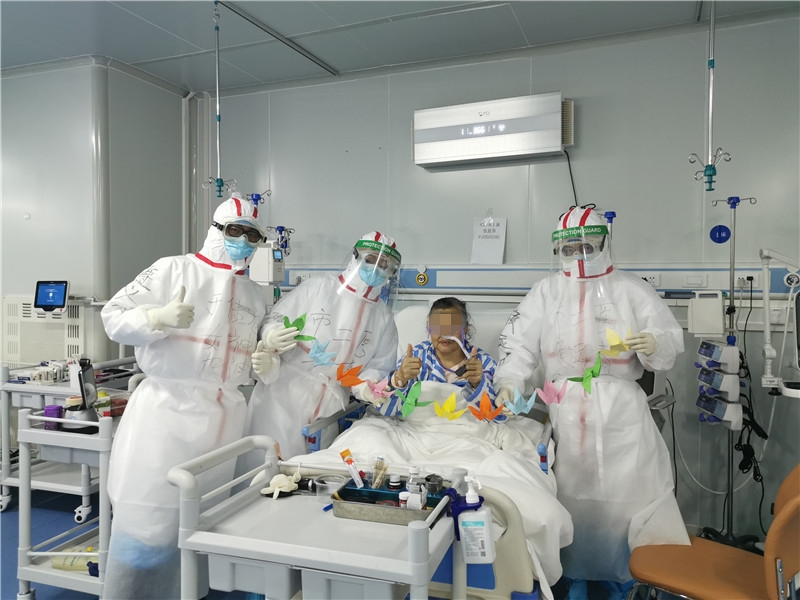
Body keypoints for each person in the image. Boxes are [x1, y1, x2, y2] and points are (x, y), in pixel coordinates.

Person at [493, 205, 689, 600]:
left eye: (587, 246)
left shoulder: (631, 289)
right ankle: (572, 577)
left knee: (628, 497)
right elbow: (518, 344)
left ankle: (631, 578)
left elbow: (667, 338)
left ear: (604, 244)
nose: (578, 255)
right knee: (570, 497)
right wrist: (510, 381)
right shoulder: (546, 292)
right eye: (568, 248)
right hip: (565, 408)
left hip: (622, 412)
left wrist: (655, 343)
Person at [99, 192, 270, 600]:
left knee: (203, 516)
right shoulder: (172, 269)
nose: (243, 241)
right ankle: (133, 591)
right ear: (216, 230)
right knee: (149, 517)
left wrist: (264, 359)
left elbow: (246, 353)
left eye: (252, 235)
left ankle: (189, 592)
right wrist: (154, 317)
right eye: (235, 231)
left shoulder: (255, 294)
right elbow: (113, 316)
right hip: (166, 414)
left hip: (224, 419)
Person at [238, 231, 401, 469]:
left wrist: (366, 386)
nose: (375, 268)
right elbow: (276, 319)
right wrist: (271, 334)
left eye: (383, 265)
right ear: (355, 256)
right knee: (262, 468)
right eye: (370, 260)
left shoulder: (383, 317)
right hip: (283, 395)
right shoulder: (319, 287)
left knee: (310, 475)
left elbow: (379, 365)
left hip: (329, 408)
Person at [381, 296, 497, 416]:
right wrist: (400, 378)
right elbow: (388, 410)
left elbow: (495, 415)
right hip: (421, 424)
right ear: (428, 327)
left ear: (465, 328)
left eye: (453, 327)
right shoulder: (415, 357)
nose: (445, 333)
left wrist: (478, 384)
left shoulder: (484, 363)